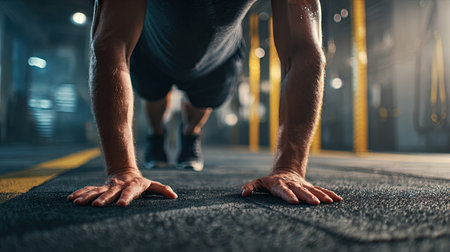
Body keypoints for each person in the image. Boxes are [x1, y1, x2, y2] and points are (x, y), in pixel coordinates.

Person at [67, 0, 343, 207]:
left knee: (200, 101)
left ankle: (189, 135)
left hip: (218, 57)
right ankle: (157, 136)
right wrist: (122, 169)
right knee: (154, 95)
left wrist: (290, 169)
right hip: (151, 50)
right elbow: (109, 43)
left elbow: (304, 52)